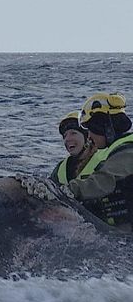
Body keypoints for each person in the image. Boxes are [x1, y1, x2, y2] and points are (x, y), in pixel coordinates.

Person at [66, 93, 133, 230]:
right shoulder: (118, 151)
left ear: (104, 126)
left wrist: (66, 191)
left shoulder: (128, 151)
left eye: (91, 129)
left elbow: (105, 180)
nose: (89, 135)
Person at [49, 111, 95, 184]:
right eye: (65, 136)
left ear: (87, 137)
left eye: (73, 133)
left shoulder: (105, 161)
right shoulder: (60, 168)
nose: (67, 139)